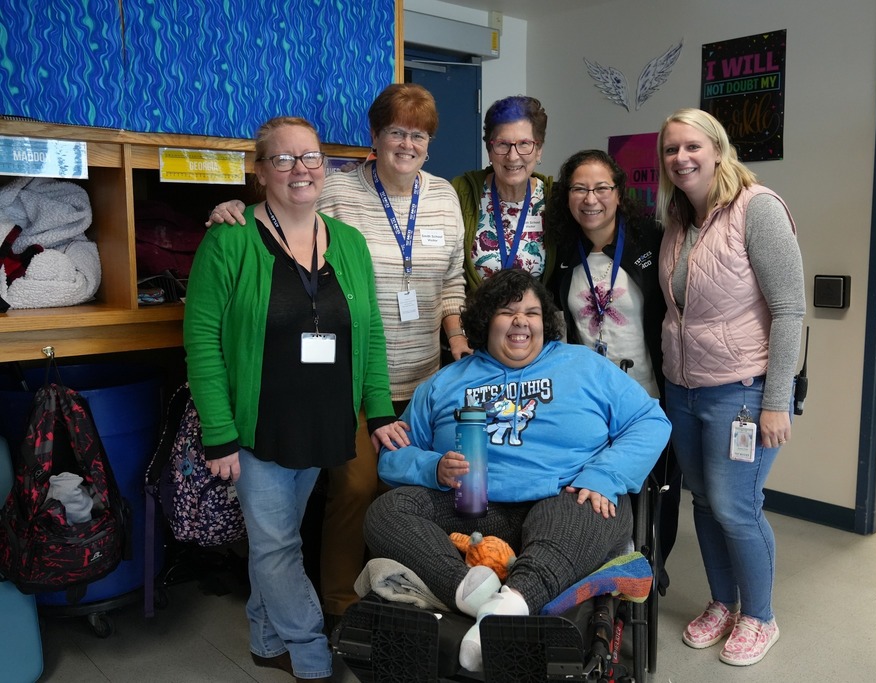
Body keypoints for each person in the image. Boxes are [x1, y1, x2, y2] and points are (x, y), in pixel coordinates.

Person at [206, 84, 468, 629]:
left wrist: (459, 338)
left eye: (418, 134)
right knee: (356, 486)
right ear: (374, 138)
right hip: (348, 379)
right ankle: (338, 602)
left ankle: (412, 591)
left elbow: (452, 281)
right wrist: (230, 206)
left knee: (425, 485)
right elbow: (281, 214)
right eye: (396, 131)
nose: (407, 143)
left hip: (425, 375)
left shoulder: (444, 196)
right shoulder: (337, 191)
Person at [184, 116, 407, 682]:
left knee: (274, 541)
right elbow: (202, 341)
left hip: (323, 420)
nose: (299, 169)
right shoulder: (229, 239)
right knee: (279, 545)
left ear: (325, 168)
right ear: (261, 173)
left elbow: (371, 330)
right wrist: (219, 432)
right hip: (257, 425)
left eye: (310, 157)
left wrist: (378, 409)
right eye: (282, 160)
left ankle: (265, 639)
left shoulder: (349, 242)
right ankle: (311, 653)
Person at [363, 268, 671, 673]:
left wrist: (604, 475)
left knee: (589, 508)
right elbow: (391, 456)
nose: (522, 321)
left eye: (531, 312)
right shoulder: (444, 383)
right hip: (474, 507)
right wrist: (432, 467)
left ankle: (509, 605)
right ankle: (475, 594)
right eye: (508, 312)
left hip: (565, 501)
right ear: (484, 322)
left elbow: (651, 421)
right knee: (386, 512)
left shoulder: (583, 365)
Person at [656, 108, 805, 666]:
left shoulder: (757, 208)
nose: (681, 158)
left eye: (692, 146)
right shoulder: (678, 219)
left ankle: (760, 616)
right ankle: (723, 602)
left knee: (736, 505)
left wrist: (775, 400)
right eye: (671, 150)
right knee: (703, 501)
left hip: (743, 389)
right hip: (684, 388)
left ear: (718, 149)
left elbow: (789, 310)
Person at [545, 148, 681, 574]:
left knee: (656, 493)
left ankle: (652, 572)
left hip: (649, 398)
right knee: (599, 492)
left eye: (601, 188)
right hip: (592, 401)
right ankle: (603, 578)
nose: (591, 199)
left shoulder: (653, 242)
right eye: (579, 189)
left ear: (619, 194)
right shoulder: (562, 251)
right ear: (567, 197)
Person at [451, 95, 555, 292]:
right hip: (473, 320)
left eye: (524, 143)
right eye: (502, 144)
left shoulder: (555, 199)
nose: (513, 156)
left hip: (532, 321)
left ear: (539, 150)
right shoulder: (460, 192)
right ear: (489, 150)